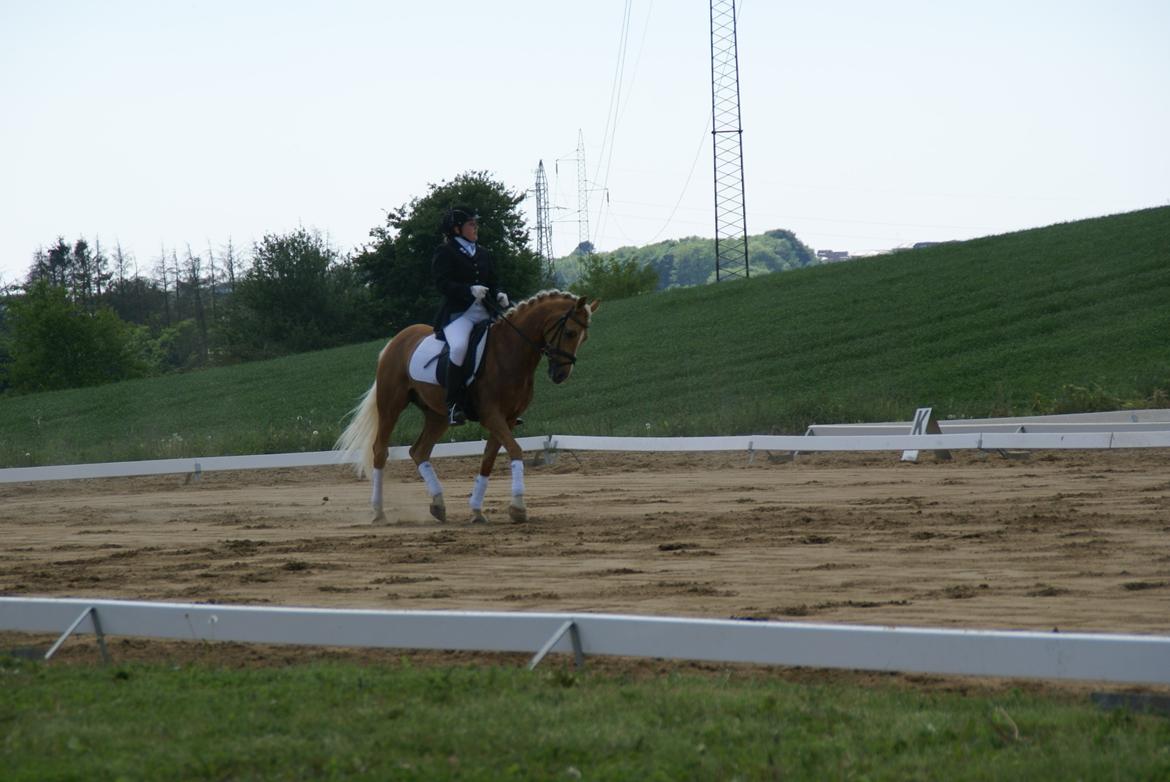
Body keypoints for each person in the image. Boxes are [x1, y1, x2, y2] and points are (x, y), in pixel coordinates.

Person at [431, 205, 510, 425]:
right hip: (460, 315)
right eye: (471, 224)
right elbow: (442, 283)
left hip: (486, 311)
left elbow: (493, 280)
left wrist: (500, 293)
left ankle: (506, 401)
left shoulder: (483, 252)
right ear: (457, 229)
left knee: (507, 344)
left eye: (476, 224)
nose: (476, 228)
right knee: (458, 348)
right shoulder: (445, 251)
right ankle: (454, 404)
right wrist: (468, 290)